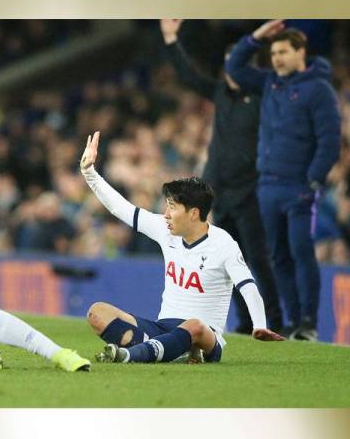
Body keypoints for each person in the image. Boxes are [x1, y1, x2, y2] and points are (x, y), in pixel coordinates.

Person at [80, 131, 283, 365]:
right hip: (162, 327)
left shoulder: (223, 243)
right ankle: (169, 351)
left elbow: (247, 286)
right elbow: (121, 209)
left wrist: (259, 326)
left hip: (205, 339)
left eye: (172, 208)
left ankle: (134, 354)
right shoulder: (165, 230)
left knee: (195, 325)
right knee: (97, 312)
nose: (166, 215)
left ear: (194, 213)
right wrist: (89, 173)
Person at [160, 19, 283, 335]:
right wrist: (172, 39)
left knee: (256, 262)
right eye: (228, 64)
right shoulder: (220, 93)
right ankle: (244, 324)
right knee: (226, 265)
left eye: (236, 64)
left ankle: (271, 321)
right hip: (218, 192)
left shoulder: (262, 99)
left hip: (250, 192)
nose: (230, 70)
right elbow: (188, 76)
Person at [225, 20, 342, 341]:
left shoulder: (318, 89)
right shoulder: (269, 83)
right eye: (273, 52)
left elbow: (329, 141)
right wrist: (256, 37)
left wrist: (314, 181)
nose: (276, 58)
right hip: (267, 186)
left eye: (283, 51)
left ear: (300, 52)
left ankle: (308, 322)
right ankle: (291, 322)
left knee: (301, 251)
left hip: (299, 187)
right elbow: (235, 66)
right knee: (278, 256)